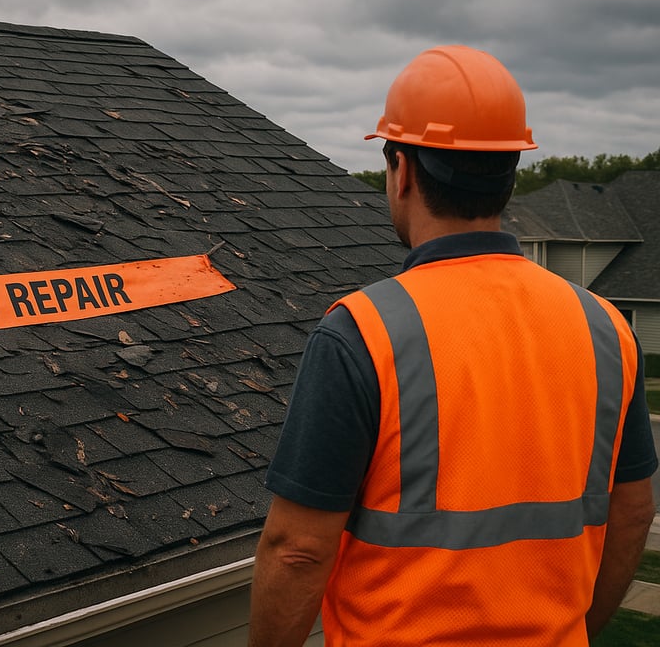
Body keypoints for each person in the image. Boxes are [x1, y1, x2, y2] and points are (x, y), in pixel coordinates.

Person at [248, 45, 657, 646]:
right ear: (509, 174)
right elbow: (632, 512)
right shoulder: (604, 328)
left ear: (402, 171)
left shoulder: (362, 334)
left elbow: (298, 552)